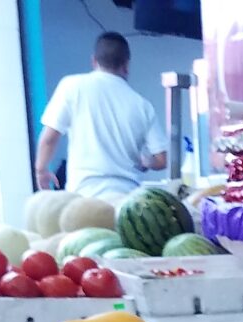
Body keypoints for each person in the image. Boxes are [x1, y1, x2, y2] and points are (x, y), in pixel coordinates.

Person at [34, 33, 169, 199]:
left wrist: (41, 170)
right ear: (126, 65)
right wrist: (145, 161)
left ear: (94, 61)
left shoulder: (71, 86)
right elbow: (162, 160)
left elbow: (49, 138)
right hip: (127, 200)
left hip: (84, 197)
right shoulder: (142, 105)